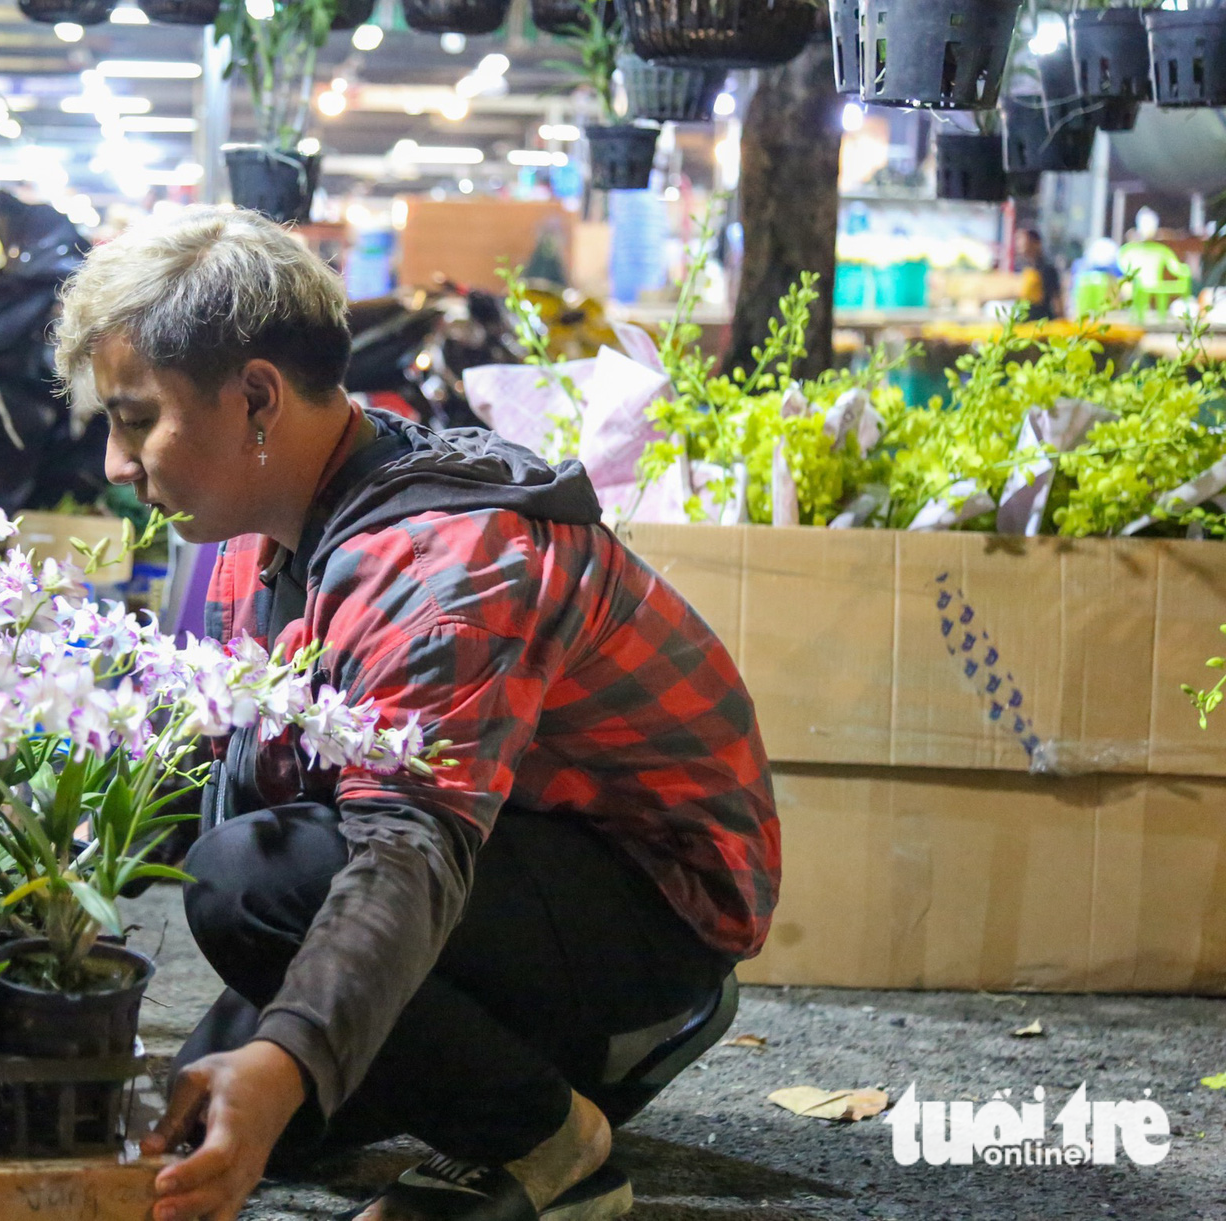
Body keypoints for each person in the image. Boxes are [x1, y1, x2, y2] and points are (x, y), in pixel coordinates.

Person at [53, 208, 779, 1221]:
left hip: (646, 916)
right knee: (214, 1102)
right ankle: (490, 1071)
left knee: (247, 891)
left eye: (134, 418)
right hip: (493, 862)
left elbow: (407, 847)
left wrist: (291, 1049)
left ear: (255, 398)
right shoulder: (253, 530)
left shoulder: (439, 567)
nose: (114, 466)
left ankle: (555, 1139)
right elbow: (201, 762)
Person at [1015, 227, 1064, 321]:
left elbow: (1056, 299)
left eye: (1022, 239)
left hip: (1041, 321)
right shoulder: (1022, 267)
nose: (1018, 243)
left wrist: (1060, 322)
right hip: (1024, 321)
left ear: (1036, 243)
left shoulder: (1047, 269)